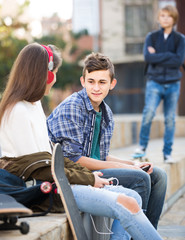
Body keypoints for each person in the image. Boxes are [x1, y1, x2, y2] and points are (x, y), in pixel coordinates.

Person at [0, 43, 163, 240]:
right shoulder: (17, 111)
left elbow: (52, 159)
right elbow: (39, 169)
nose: (55, 79)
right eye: (55, 73)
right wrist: (89, 178)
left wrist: (99, 174)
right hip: (45, 190)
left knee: (134, 197)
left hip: (62, 181)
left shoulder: (33, 107)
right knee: (127, 200)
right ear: (46, 75)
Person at [47, 52, 167, 230]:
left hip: (94, 168)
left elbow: (101, 156)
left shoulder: (106, 113)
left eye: (102, 82)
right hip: (75, 175)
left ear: (112, 84)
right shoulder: (72, 107)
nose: (96, 87)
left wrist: (133, 163)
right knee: (140, 179)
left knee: (158, 176)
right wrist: (128, 169)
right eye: (91, 81)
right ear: (82, 81)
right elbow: (73, 159)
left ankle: (146, 232)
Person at [134, 5, 185, 163]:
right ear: (158, 18)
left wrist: (159, 55)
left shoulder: (180, 39)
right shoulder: (151, 37)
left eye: (168, 16)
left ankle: (167, 153)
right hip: (154, 82)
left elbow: (178, 60)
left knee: (170, 119)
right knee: (148, 113)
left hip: (173, 83)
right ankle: (142, 147)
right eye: (162, 15)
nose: (165, 18)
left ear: (174, 19)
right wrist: (169, 56)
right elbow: (148, 58)